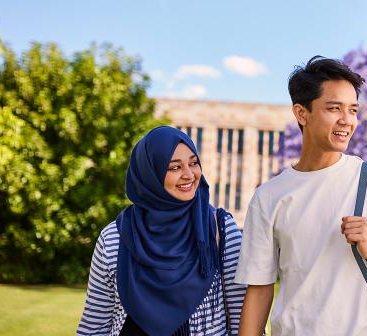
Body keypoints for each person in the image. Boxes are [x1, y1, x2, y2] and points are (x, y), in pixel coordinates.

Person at [234, 56, 367, 336]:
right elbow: (260, 289)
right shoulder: (269, 197)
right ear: (302, 113)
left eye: (353, 110)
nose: (346, 120)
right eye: (334, 108)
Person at [77, 126, 246, 336]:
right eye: (174, 168)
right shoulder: (114, 238)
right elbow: (95, 325)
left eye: (193, 163)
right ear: (150, 173)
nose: (189, 175)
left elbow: (242, 320)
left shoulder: (221, 230)